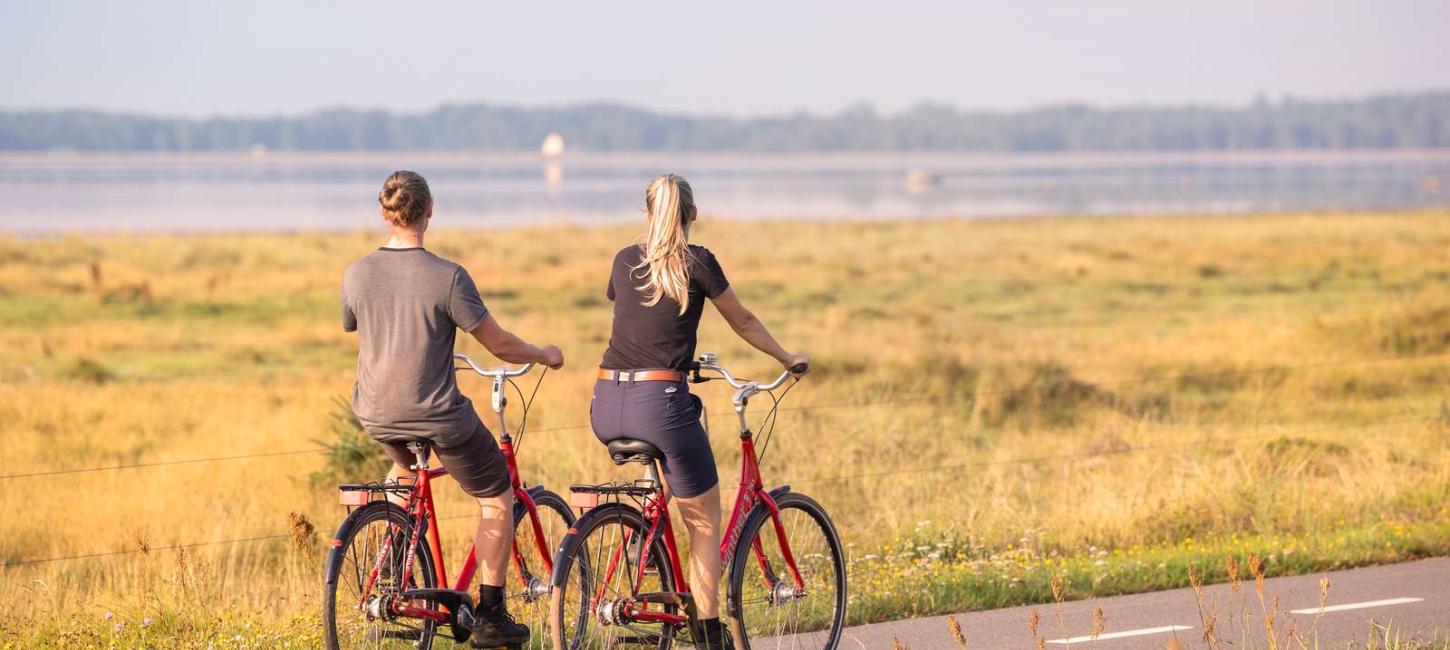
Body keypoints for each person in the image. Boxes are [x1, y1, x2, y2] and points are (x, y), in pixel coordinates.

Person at [341, 170, 564, 648]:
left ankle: (395, 565)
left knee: (405, 470)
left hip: (376, 413)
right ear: (430, 210)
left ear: (383, 213)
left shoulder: (356, 273)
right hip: (437, 413)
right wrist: (544, 353)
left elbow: (360, 325)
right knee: (495, 495)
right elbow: (500, 344)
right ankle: (490, 614)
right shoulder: (448, 277)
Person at [590, 174, 808, 650]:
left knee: (672, 474)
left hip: (605, 402)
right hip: (660, 403)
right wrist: (786, 357)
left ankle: (642, 539)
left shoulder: (625, 259)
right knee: (704, 519)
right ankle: (708, 634)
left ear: (647, 213)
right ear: (692, 215)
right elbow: (743, 320)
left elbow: (638, 323)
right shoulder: (698, 262)